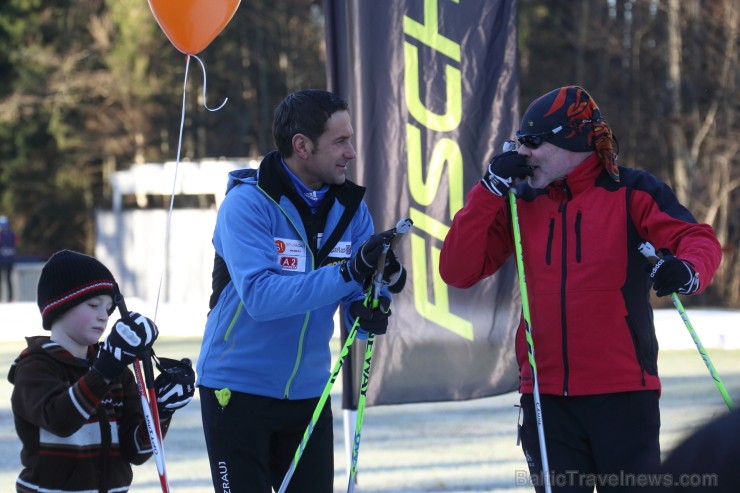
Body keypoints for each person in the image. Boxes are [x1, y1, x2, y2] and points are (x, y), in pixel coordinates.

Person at [439, 86, 722, 492]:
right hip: (546, 399)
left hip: (624, 397)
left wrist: (686, 270)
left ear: (572, 141)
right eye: (518, 143)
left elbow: (698, 240)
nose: (522, 153)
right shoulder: (520, 201)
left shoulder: (631, 190)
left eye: (533, 142)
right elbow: (456, 270)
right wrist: (488, 191)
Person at [197, 89, 406, 493]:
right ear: (302, 146)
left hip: (309, 393)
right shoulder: (248, 204)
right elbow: (260, 297)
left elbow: (355, 296)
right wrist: (349, 273)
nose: (352, 152)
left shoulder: (350, 208)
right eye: (340, 141)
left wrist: (370, 307)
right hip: (235, 391)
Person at [7, 249, 195, 493]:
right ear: (60, 306)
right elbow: (60, 420)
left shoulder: (117, 372)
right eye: (93, 305)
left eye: (108, 309)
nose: (103, 316)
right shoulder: (35, 367)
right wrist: (106, 367)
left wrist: (160, 409)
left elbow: (135, 451)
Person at [0, 215, 17, 302]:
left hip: (4, 260)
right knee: (8, 279)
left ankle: (8, 298)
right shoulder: (11, 234)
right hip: (9, 260)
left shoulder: (5, 235)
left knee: (6, 279)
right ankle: (10, 298)